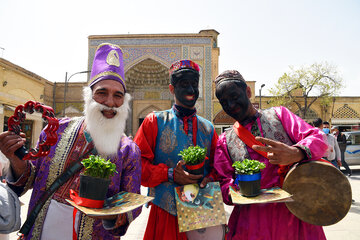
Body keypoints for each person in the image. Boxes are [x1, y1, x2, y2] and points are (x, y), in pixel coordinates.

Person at [0, 43, 141, 239]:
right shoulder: (57, 129)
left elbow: (131, 203)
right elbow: (29, 178)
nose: (110, 102)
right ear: (89, 96)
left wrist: (117, 215)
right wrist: (15, 157)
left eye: (118, 96)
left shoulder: (129, 150)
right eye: (102, 92)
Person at [213, 70, 328, 239]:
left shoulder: (279, 115)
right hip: (252, 223)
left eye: (234, 96)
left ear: (248, 92)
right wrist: (234, 191)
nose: (230, 105)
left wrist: (297, 152)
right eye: (224, 102)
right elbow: (223, 181)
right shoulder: (225, 140)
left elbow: (318, 137)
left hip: (294, 214)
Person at [134, 59, 219, 240]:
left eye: (194, 84)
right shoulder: (154, 121)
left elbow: (218, 168)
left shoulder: (209, 128)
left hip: (202, 210)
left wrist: (209, 178)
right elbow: (137, 166)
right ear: (172, 89)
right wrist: (170, 174)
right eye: (184, 84)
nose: (190, 90)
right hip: (166, 214)